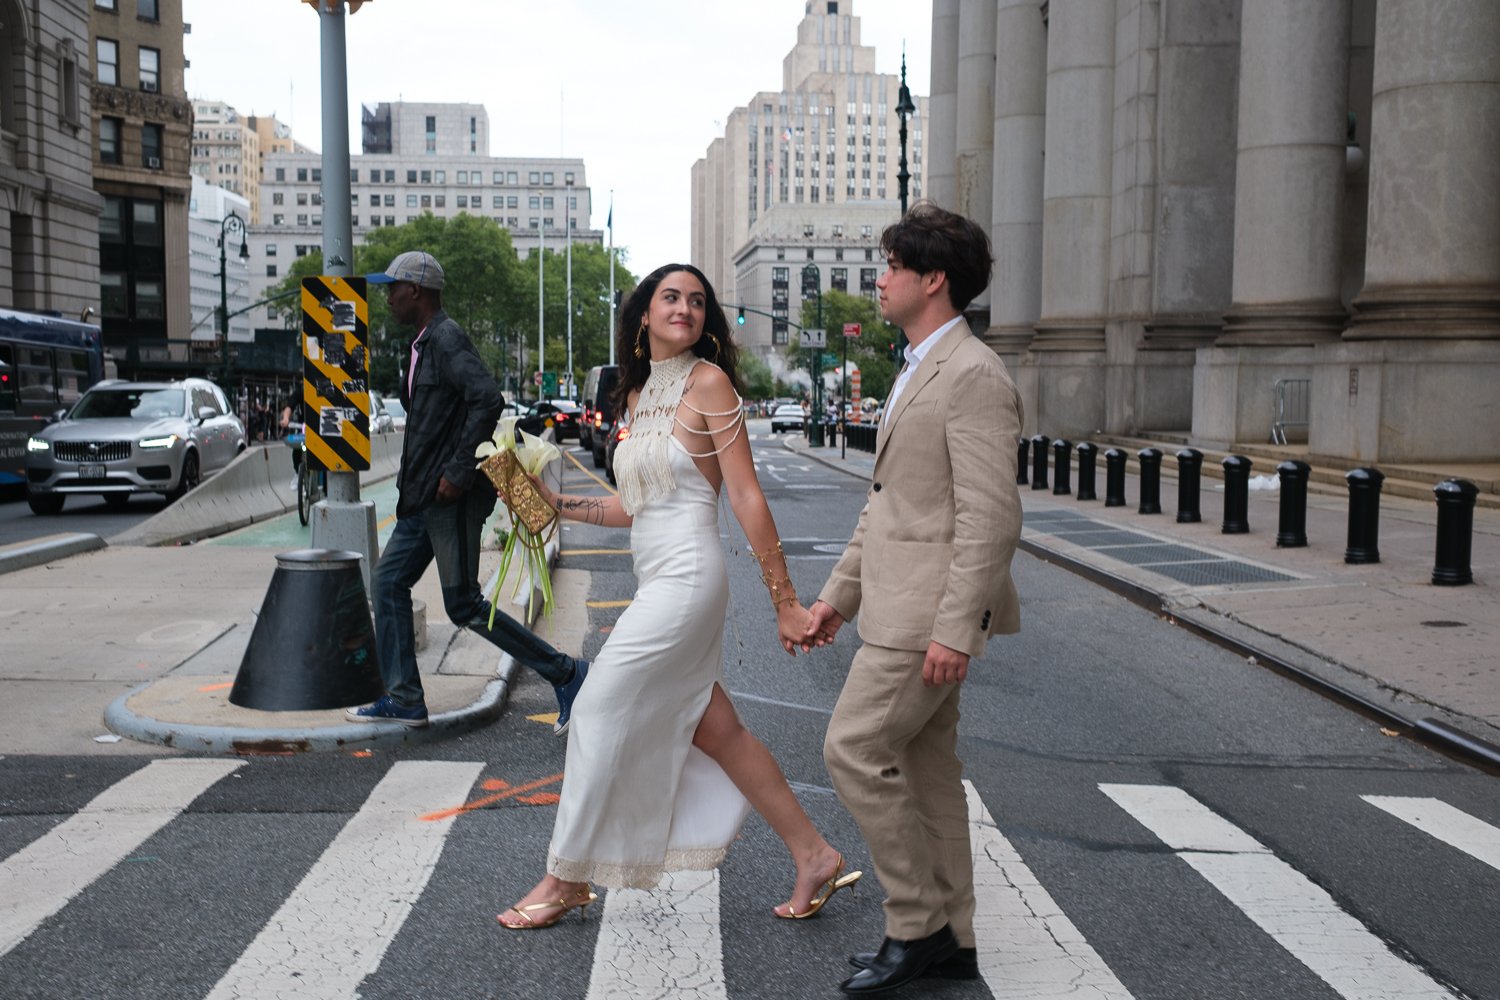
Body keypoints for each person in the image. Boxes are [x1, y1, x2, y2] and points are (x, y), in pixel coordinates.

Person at [495, 263, 860, 931]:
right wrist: (553, 504)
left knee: (599, 707)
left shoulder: (709, 383)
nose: (685, 308)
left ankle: (565, 877)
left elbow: (745, 494)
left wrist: (783, 598)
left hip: (690, 580)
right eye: (671, 297)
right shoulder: (638, 399)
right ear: (643, 315)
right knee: (717, 731)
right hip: (655, 574)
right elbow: (633, 509)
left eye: (697, 300)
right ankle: (815, 853)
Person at [806, 203, 1024, 995]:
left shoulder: (972, 375)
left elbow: (991, 517)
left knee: (854, 751)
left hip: (925, 618)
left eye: (893, 264)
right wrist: (839, 598)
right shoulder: (918, 365)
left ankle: (916, 923)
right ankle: (955, 937)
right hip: (898, 604)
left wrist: (957, 629)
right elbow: (891, 502)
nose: (882, 276)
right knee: (927, 773)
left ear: (933, 279)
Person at [345, 251, 588, 730]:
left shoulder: (447, 338)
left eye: (393, 288)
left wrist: (457, 472)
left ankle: (567, 673)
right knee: (388, 583)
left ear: (416, 290)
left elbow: (486, 397)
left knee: (463, 605)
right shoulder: (420, 345)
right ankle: (404, 698)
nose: (387, 297)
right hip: (421, 499)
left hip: (448, 499)